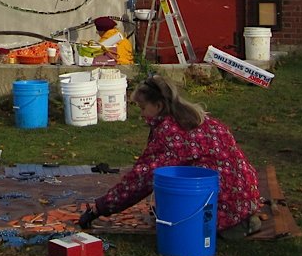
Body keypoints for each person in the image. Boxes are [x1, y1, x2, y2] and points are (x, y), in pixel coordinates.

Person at [78, 74, 261, 235]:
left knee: (171, 204)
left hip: (223, 207)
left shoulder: (170, 135)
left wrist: (99, 208)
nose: (141, 114)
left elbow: (140, 180)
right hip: (245, 197)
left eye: (143, 108)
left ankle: (230, 225)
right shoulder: (199, 120)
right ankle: (244, 219)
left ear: (158, 106)